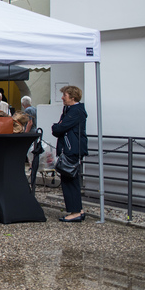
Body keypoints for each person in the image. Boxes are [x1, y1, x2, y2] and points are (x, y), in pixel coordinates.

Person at [52, 85, 88, 223]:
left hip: (71, 150)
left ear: (72, 97)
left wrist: (57, 127)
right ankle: (77, 209)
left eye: (65, 95)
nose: (62, 97)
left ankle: (75, 211)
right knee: (70, 180)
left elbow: (59, 128)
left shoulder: (75, 111)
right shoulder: (70, 110)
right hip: (70, 149)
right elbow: (59, 128)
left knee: (69, 181)